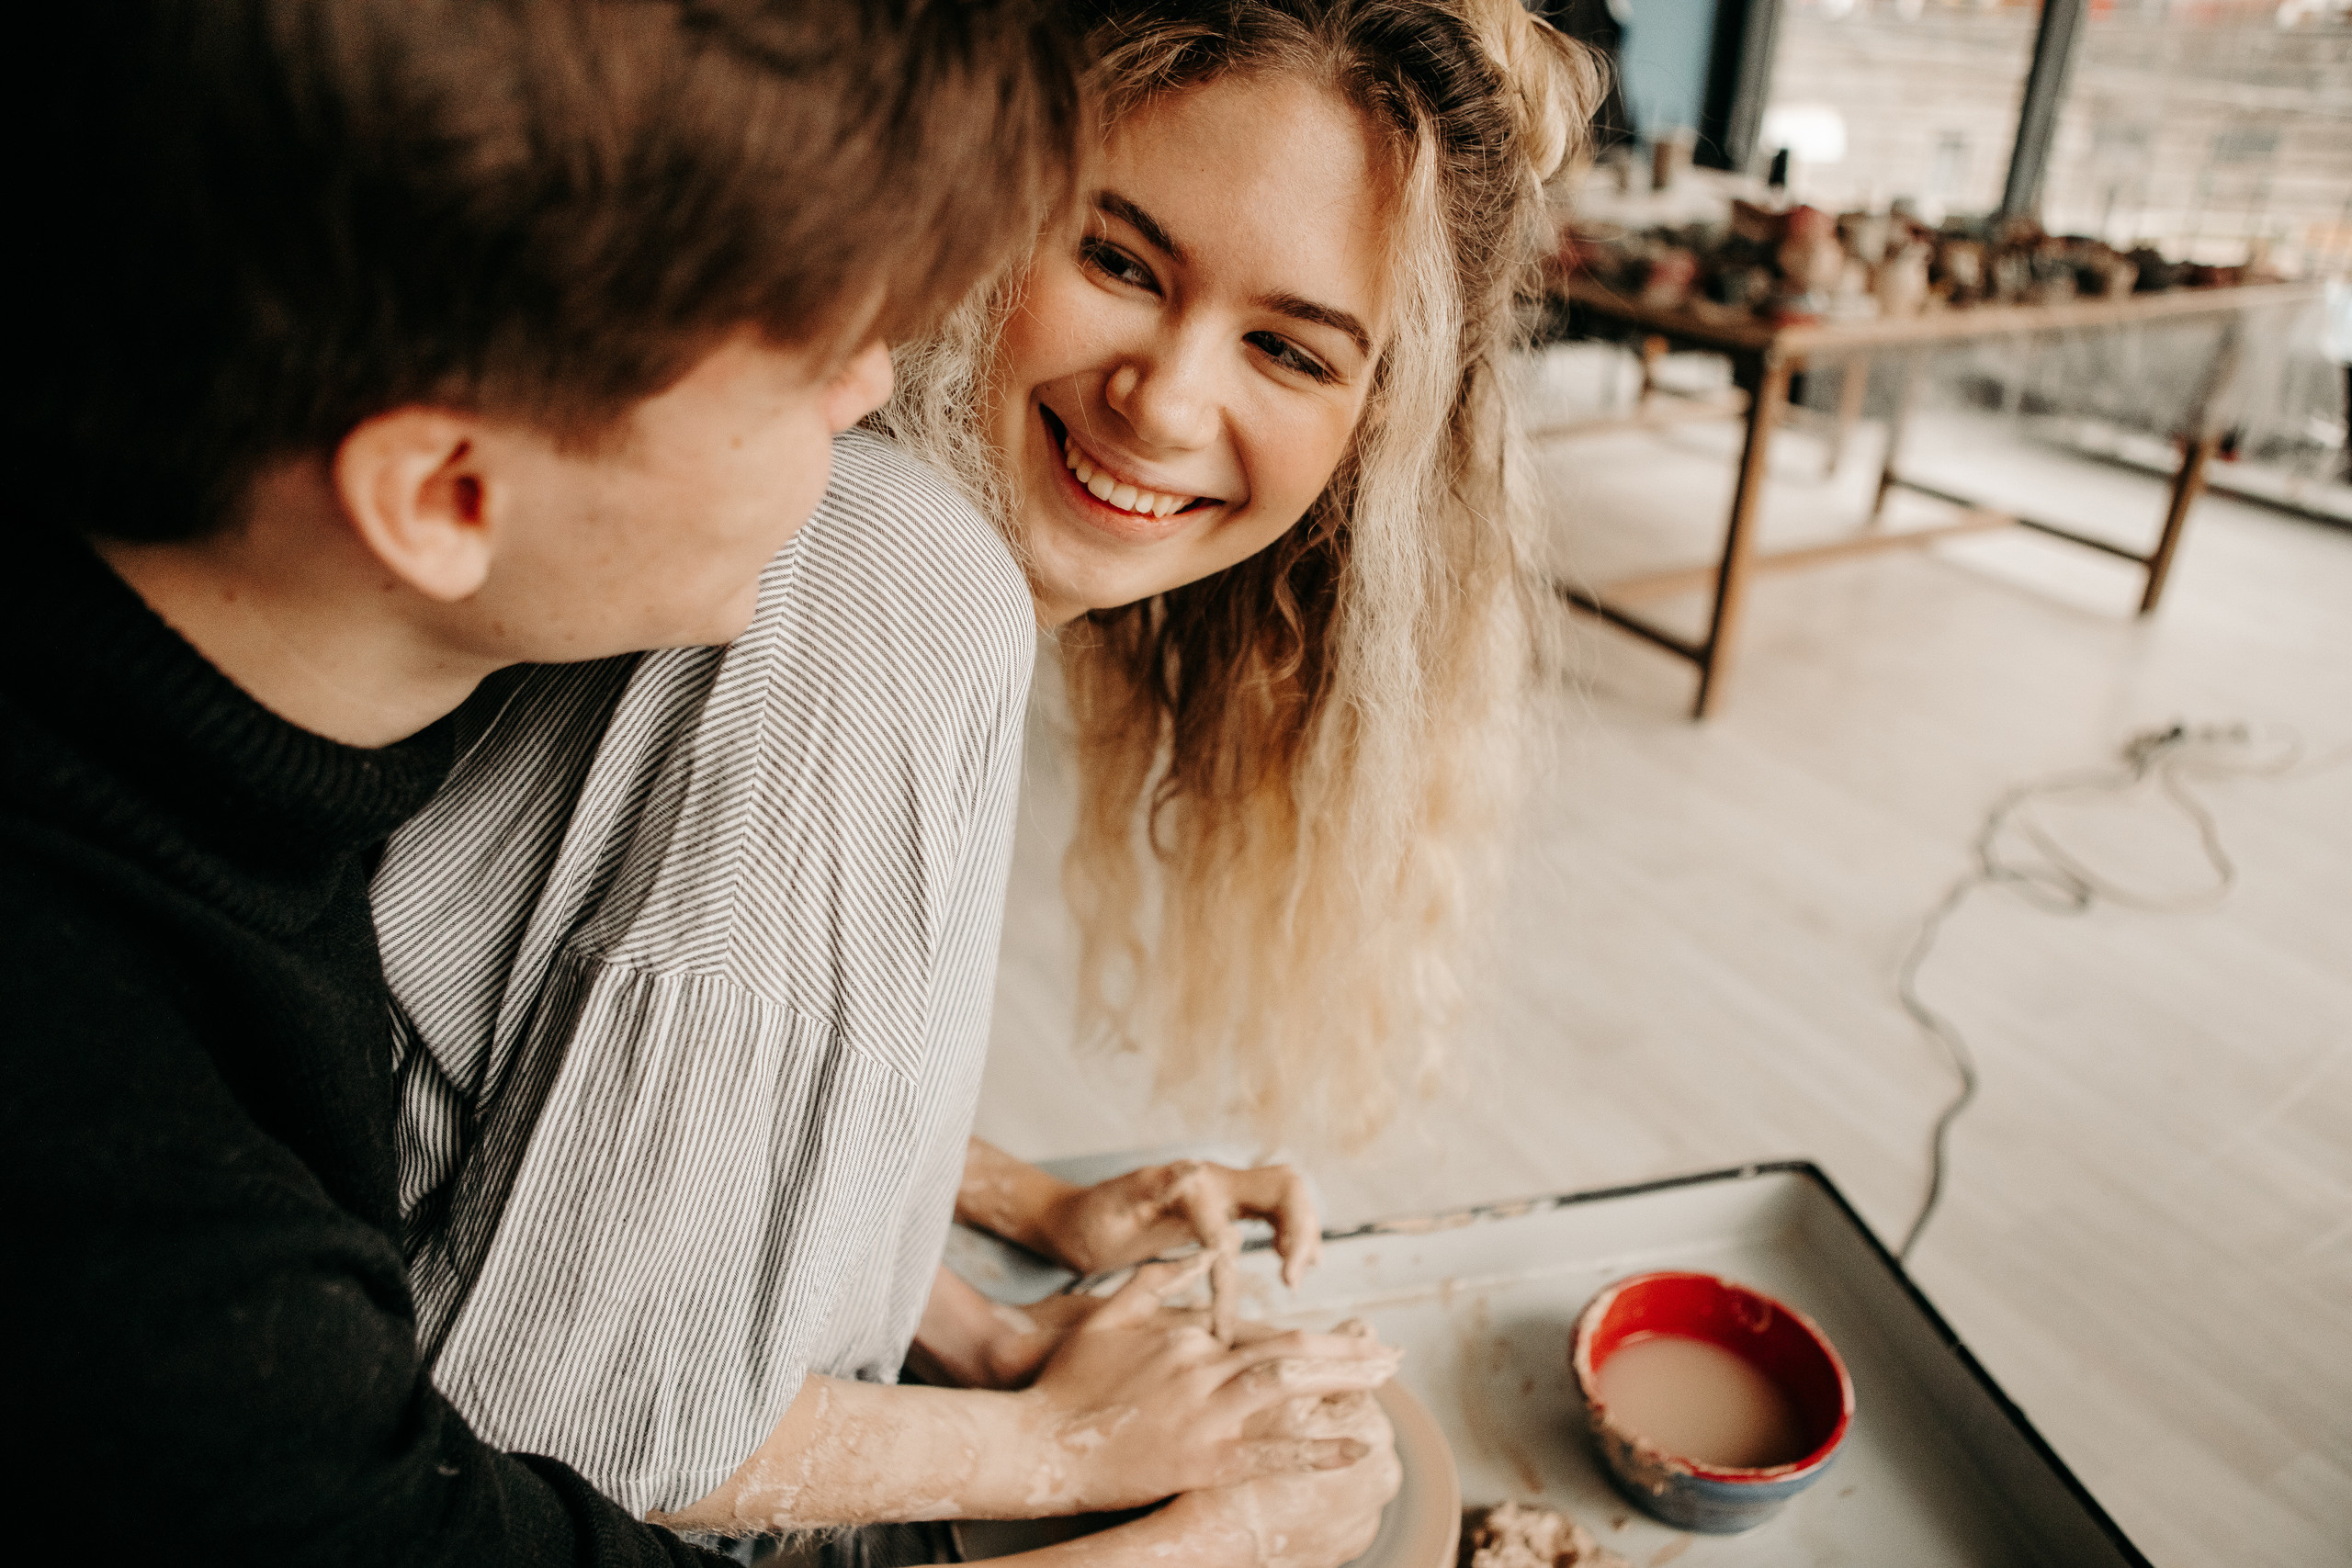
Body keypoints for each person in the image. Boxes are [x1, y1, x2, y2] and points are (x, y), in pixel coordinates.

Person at [372, 0, 1595, 1559]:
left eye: (1287, 349)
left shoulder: (922, 566)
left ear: (1373, 432)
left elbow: (623, 1150)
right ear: (987, 213)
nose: (1162, 401)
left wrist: (1015, 1257)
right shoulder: (894, 572)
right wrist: (1070, 1447)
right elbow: (578, 1427)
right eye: (1119, 262)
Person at [0, 0, 1088, 1561]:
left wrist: (1001, 1252)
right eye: (806, 364)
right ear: (446, 491)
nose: (873, 391)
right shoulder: (127, 1229)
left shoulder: (237, 689)